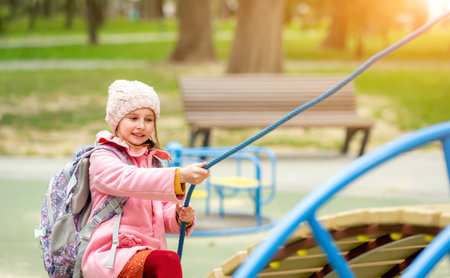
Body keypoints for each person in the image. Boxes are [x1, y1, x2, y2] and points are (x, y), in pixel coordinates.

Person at [81, 79, 210, 278]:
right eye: (133, 118)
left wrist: (178, 216)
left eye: (149, 120)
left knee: (163, 260)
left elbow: (162, 217)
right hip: (110, 256)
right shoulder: (103, 157)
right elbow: (131, 180)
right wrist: (180, 175)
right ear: (117, 121)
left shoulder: (154, 163)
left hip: (145, 254)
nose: (141, 126)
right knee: (167, 260)